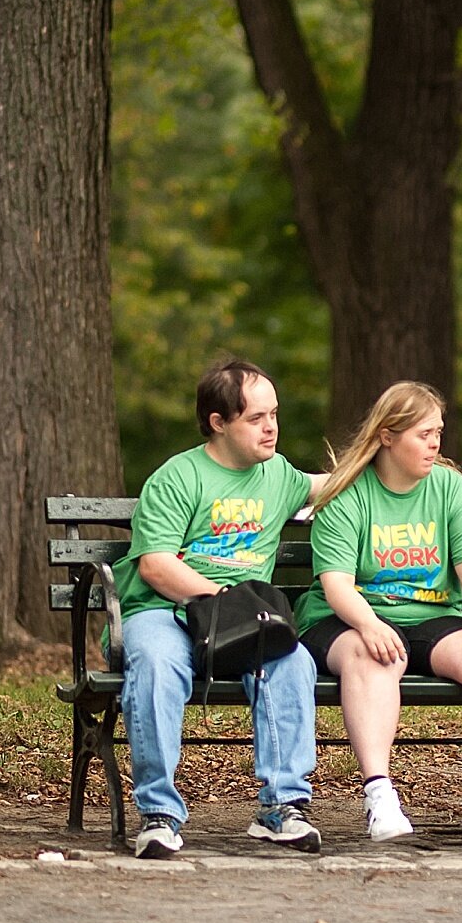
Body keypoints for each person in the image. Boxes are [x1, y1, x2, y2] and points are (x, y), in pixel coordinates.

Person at [294, 382, 462, 841]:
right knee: (376, 656)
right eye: (423, 433)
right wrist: (369, 624)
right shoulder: (350, 494)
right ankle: (380, 799)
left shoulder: (451, 489)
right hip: (351, 616)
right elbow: (336, 586)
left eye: (439, 433)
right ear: (388, 435)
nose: (435, 443)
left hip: (430, 615)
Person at [112, 359, 325, 859]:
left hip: (242, 620)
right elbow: (156, 566)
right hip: (166, 610)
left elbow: (327, 485)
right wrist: (224, 602)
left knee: (292, 661)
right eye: (256, 418)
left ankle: (282, 808)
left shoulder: (278, 474)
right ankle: (159, 815)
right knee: (157, 666)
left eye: (274, 415)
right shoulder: (178, 477)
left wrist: (390, 455)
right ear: (219, 422)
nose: (271, 427)